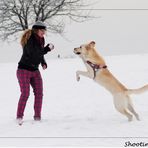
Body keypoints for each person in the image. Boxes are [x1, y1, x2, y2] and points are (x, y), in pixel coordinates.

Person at [16, 21, 54, 125]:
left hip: (34, 70)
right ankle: (19, 117)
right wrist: (47, 49)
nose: (44, 33)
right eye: (42, 30)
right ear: (36, 30)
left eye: (44, 31)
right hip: (23, 70)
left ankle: (37, 117)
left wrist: (43, 62)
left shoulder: (41, 39)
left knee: (39, 93)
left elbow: (39, 53)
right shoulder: (29, 39)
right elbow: (33, 53)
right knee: (25, 93)